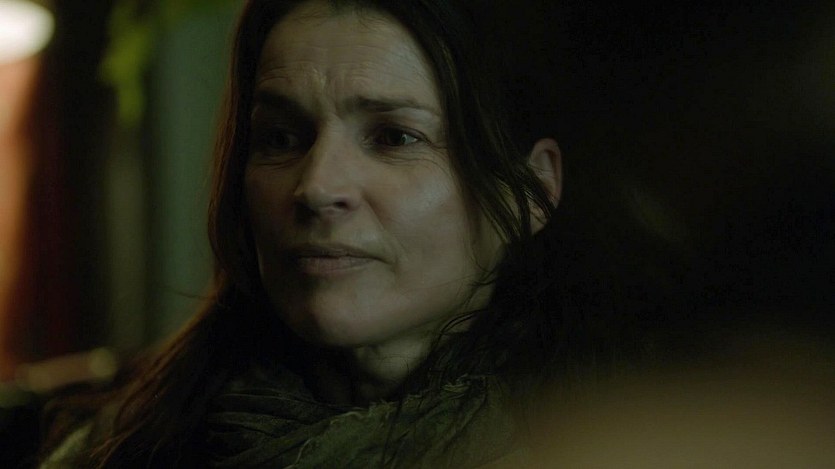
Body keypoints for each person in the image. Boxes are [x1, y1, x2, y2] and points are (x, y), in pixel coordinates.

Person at [41, 0, 569, 466]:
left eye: (394, 137)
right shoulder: (129, 443)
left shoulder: (594, 437)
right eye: (280, 138)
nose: (316, 187)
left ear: (530, 192)